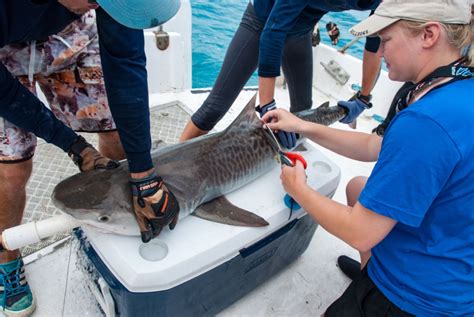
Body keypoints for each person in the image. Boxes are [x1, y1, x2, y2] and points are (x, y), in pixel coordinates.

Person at [262, 0, 473, 315]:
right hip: (456, 260)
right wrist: (302, 125)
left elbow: (360, 232)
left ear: (429, 35)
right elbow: (377, 146)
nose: (380, 51)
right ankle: (370, 272)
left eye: (386, 40)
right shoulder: (456, 87)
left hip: (418, 297)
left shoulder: (426, 123)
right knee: (358, 186)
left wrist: (299, 190)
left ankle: (377, 284)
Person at [0, 1, 180, 315]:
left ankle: (114, 226)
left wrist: (144, 175)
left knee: (120, 138)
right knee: (11, 171)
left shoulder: (110, 3)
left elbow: (125, 61)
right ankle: (6, 262)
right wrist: (74, 145)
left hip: (70, 36)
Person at [179, 0, 382, 147]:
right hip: (261, 23)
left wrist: (363, 98)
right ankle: (170, 170)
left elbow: (375, 44)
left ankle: (282, 161)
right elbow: (272, 33)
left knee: (303, 110)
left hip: (300, 32)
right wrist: (268, 107)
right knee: (215, 107)